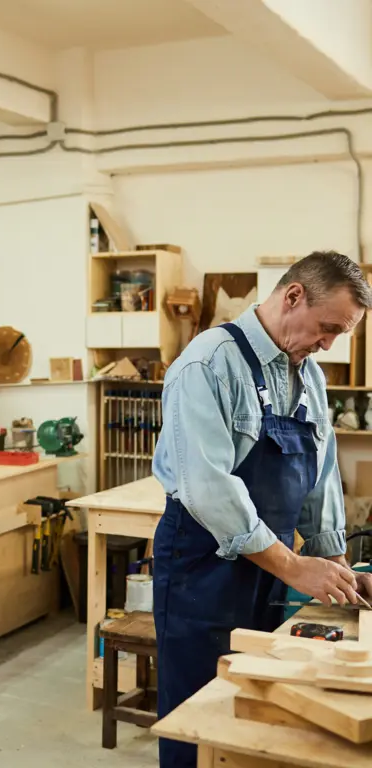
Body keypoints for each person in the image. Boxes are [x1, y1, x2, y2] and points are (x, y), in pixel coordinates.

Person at [152, 251, 372, 767]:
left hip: (271, 568)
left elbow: (320, 476)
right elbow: (208, 489)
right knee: (198, 716)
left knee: (261, 707)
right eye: (326, 328)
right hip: (202, 569)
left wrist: (336, 568)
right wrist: (296, 566)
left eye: (341, 334)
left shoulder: (308, 376)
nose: (328, 344)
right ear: (293, 295)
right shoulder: (207, 364)